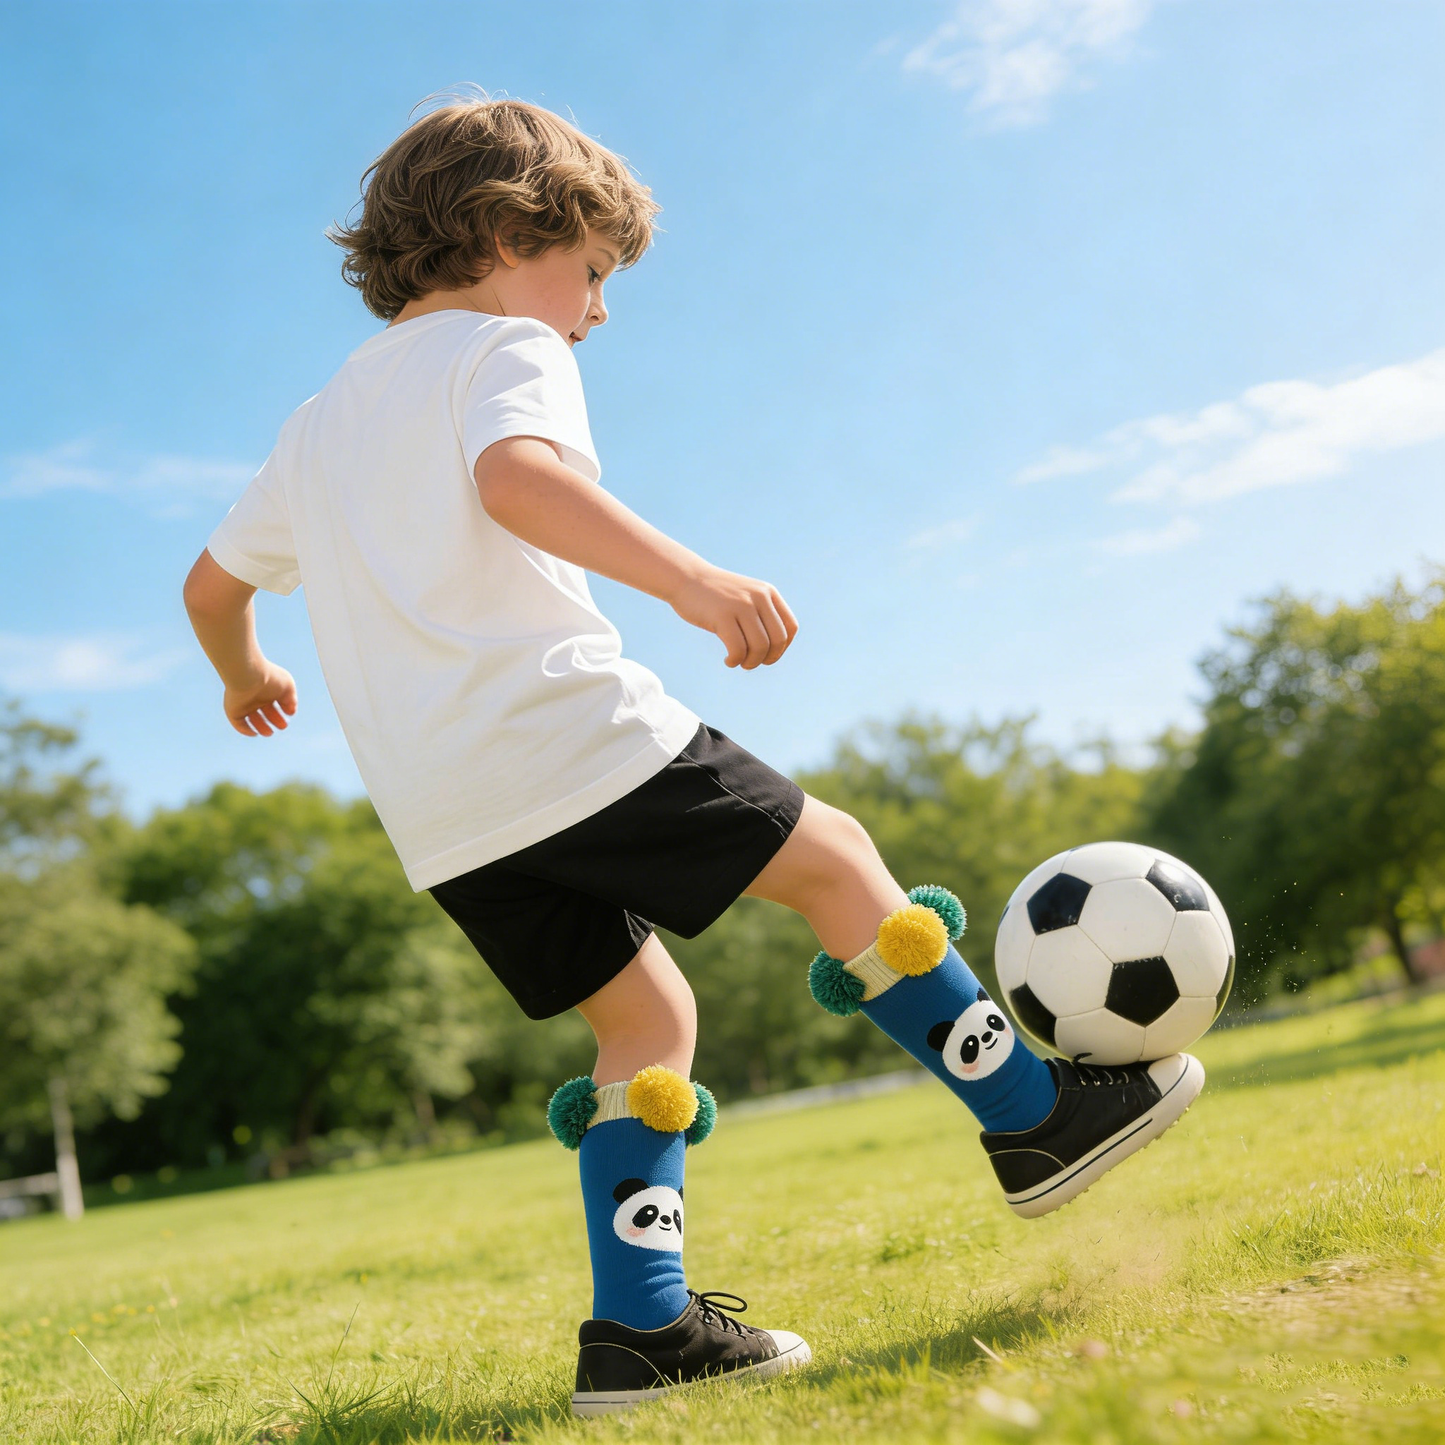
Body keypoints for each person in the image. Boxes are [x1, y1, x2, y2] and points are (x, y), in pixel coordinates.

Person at [183, 95, 1204, 1416]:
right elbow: (516, 482)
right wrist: (693, 581)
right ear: (506, 233)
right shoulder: (503, 344)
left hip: (445, 819)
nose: (598, 310)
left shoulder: (315, 428)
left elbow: (212, 588)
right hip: (561, 736)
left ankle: (641, 1333)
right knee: (836, 863)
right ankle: (1034, 1119)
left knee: (648, 1023)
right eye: (592, 271)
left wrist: (245, 675)